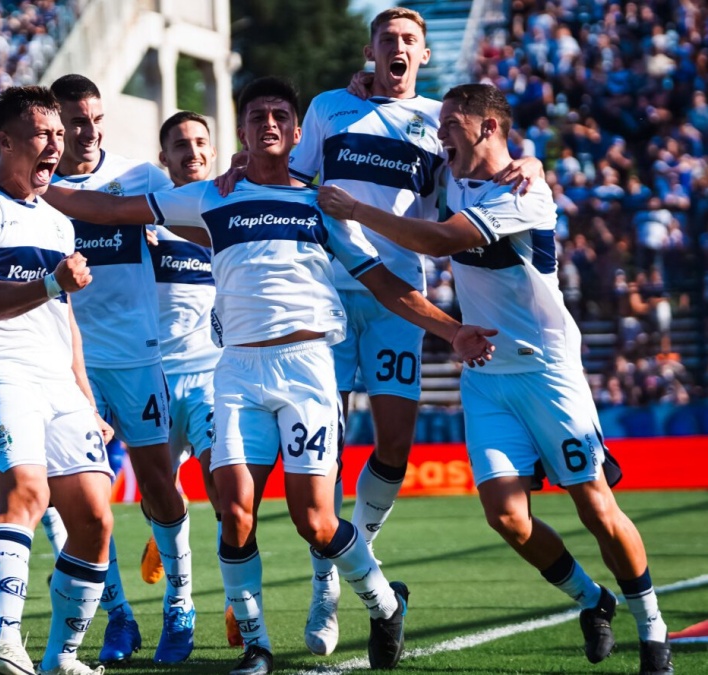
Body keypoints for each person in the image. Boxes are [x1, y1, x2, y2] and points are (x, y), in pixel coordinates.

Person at [43, 76, 496, 675]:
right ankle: (255, 645)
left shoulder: (322, 202)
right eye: (257, 116)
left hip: (307, 367)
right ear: (244, 129)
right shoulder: (211, 197)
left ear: (298, 130)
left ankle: (383, 603)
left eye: (281, 114)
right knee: (234, 508)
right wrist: (24, 180)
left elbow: (383, 282)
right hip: (236, 370)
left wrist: (451, 330)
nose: (270, 124)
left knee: (315, 519)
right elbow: (105, 207)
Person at [317, 82, 674, 675]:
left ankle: (653, 630)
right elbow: (401, 163)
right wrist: (366, 89)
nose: (441, 135)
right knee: (505, 516)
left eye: (453, 124)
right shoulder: (451, 174)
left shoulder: (526, 192)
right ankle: (594, 601)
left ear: (487, 128)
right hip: (484, 371)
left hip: (546, 369)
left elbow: (438, 241)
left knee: (594, 505)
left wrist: (354, 210)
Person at [281, 8, 539, 654]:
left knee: (394, 447)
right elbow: (288, 185)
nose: (396, 47)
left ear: (423, 55)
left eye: (408, 41)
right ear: (370, 50)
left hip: (398, 295)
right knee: (327, 445)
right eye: (387, 38)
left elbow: (477, 173)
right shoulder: (328, 108)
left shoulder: (437, 123)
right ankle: (326, 583)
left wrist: (529, 163)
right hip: (329, 294)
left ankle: (357, 550)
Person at [0, 85, 114, 675]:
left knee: (95, 518)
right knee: (27, 494)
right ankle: (2, 640)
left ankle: (62, 656)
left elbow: (65, 322)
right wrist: (48, 283)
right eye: (44, 135)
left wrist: (87, 399)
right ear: (5, 140)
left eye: (60, 136)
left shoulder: (59, 223)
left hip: (55, 377)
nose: (56, 146)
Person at [48, 74, 195, 667]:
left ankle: (180, 605)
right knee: (74, 499)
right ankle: (118, 616)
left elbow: (193, 227)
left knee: (159, 485)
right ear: (55, 125)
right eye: (75, 121)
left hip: (138, 357)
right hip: (69, 363)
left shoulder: (142, 177)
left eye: (95, 119)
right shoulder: (34, 191)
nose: (88, 131)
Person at [149, 110, 242, 647]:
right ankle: (179, 601)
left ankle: (235, 602)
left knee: (227, 493)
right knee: (162, 498)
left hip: (213, 374)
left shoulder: (231, 206)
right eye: (180, 145)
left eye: (200, 142)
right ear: (164, 158)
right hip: (155, 381)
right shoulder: (147, 213)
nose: (192, 152)